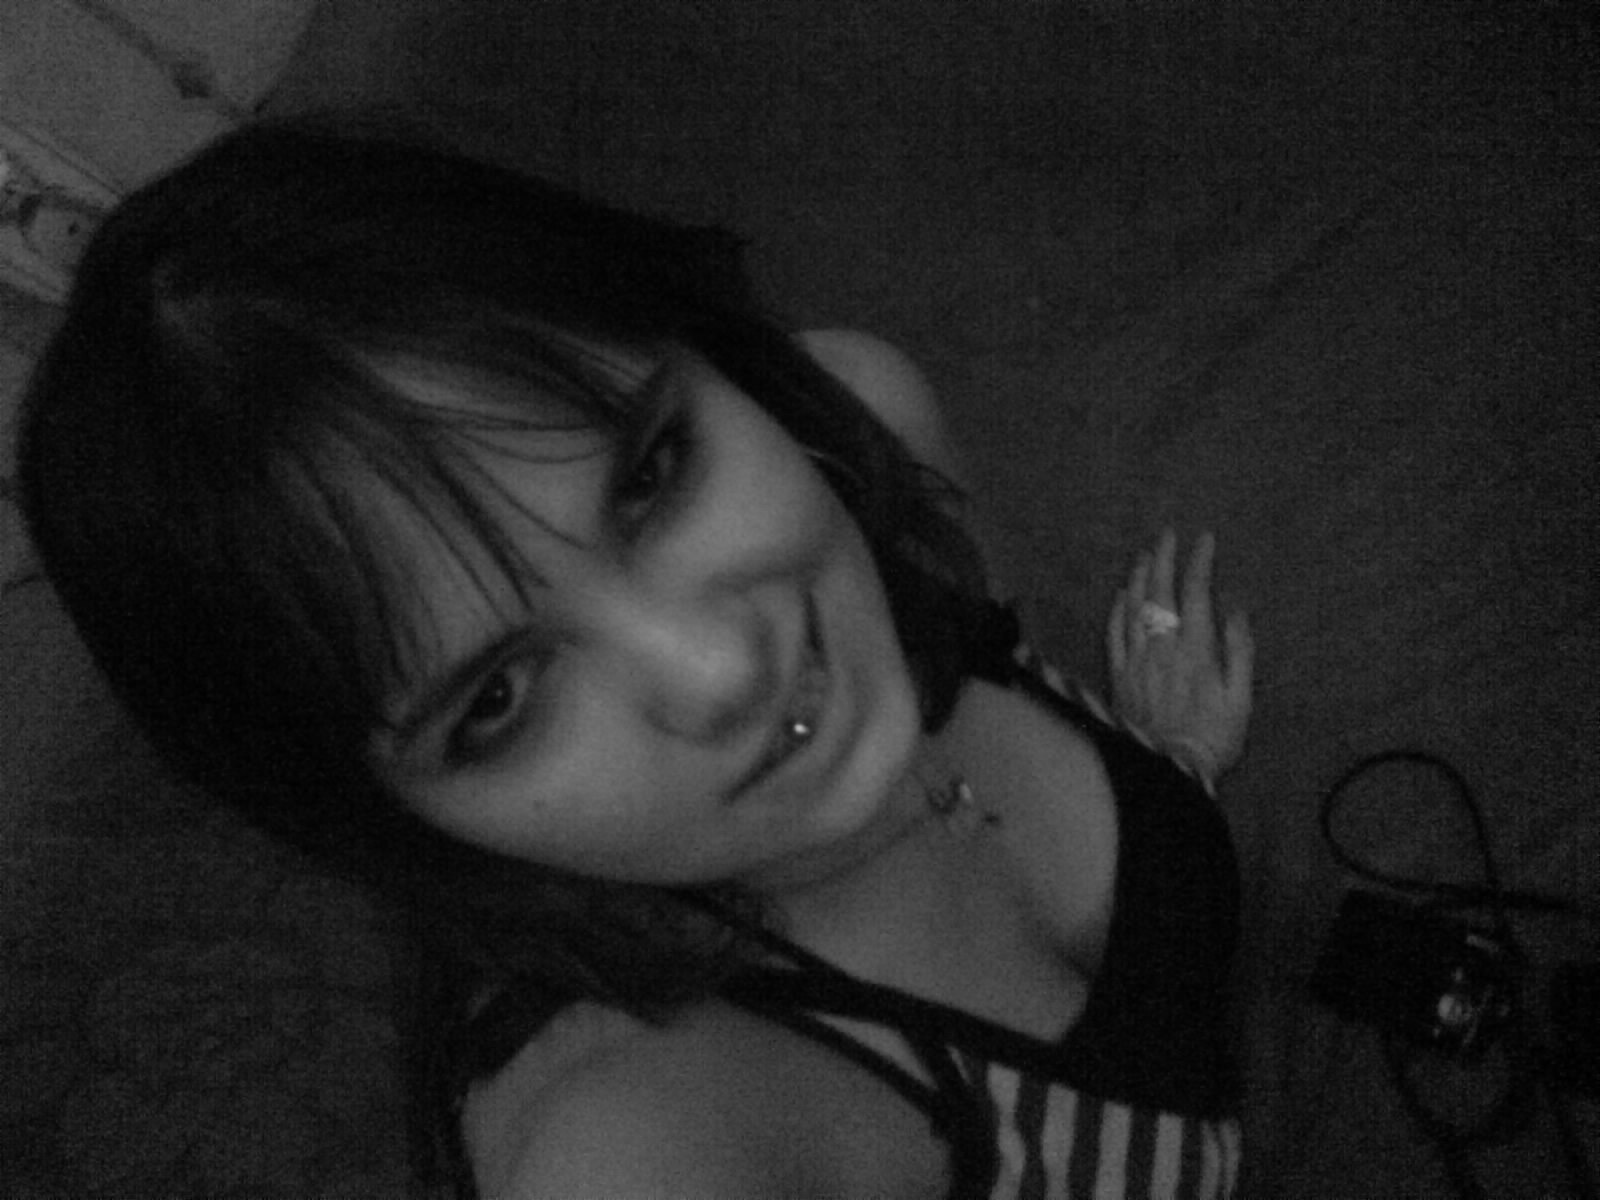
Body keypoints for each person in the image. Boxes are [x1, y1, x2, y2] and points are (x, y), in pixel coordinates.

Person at [18, 121, 1254, 1199]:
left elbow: (981, 630)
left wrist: (1172, 757)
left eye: (653, 473)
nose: (718, 670)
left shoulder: (868, 424)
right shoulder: (636, 1137)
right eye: (497, 700)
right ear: (381, 819)